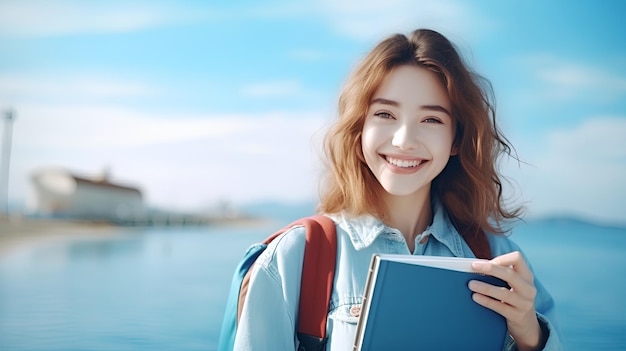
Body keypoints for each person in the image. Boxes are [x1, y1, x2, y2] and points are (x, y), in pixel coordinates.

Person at [233, 28, 562, 350]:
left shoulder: (498, 260)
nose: (404, 140)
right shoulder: (295, 258)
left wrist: (530, 337)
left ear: (456, 139)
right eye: (385, 114)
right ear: (359, 130)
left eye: (431, 119)